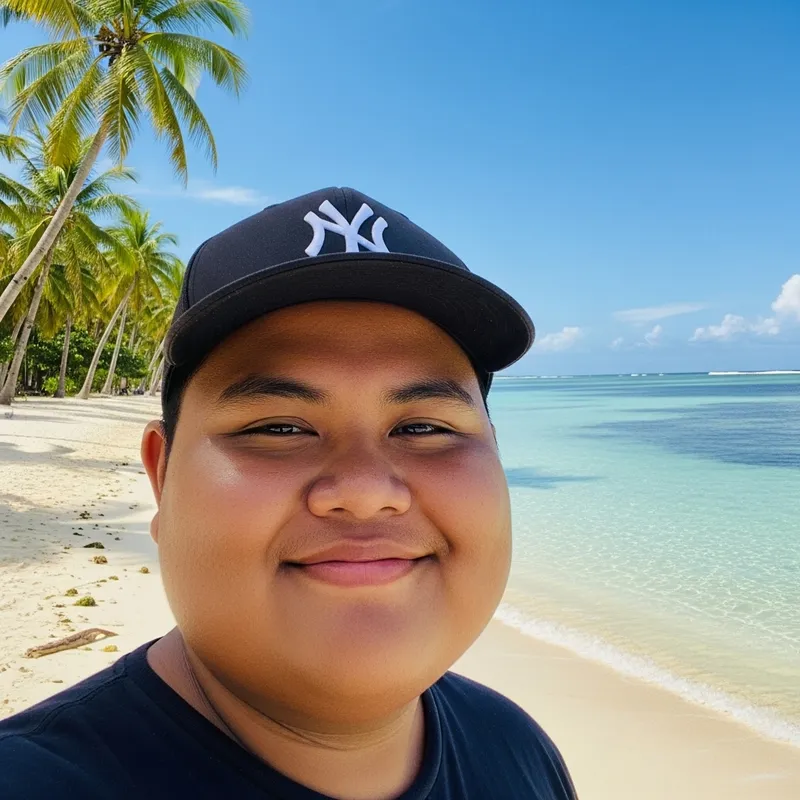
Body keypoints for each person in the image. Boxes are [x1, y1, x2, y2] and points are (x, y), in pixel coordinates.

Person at [0, 188, 577, 799]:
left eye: (423, 428)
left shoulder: (519, 751)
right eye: (279, 428)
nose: (363, 491)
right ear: (162, 479)